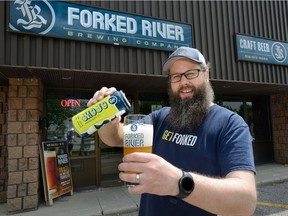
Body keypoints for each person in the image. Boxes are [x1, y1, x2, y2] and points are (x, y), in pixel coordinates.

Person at [87, 47, 257, 216]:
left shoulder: (230, 124)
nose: (183, 82)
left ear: (206, 74)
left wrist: (178, 182)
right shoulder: (160, 118)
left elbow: (245, 202)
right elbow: (115, 138)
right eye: (176, 76)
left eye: (191, 73)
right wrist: (107, 120)